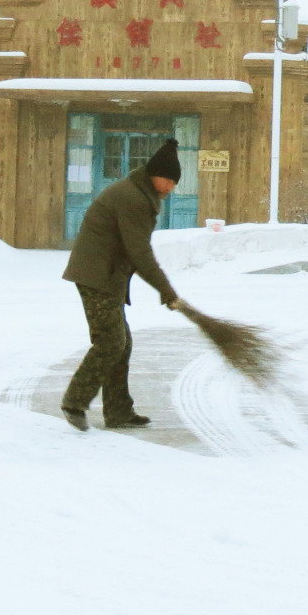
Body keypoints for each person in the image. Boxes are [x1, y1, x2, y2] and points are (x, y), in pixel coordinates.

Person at [59, 138, 184, 431]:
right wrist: (166, 290)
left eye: (175, 183)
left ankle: (118, 412)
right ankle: (74, 401)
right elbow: (139, 252)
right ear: (156, 175)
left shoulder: (137, 193)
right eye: (169, 181)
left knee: (121, 345)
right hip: (97, 276)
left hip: (106, 275)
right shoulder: (134, 199)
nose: (171, 188)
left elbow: (133, 252)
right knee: (111, 342)